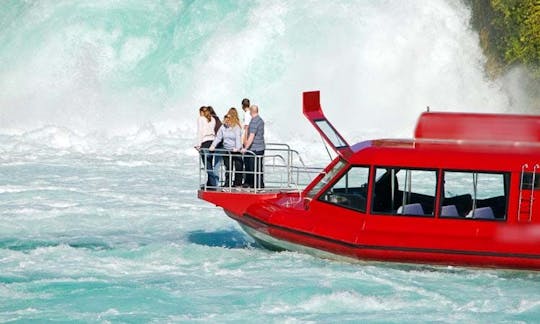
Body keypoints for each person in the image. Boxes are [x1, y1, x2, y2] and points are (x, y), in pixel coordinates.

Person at [209, 111, 242, 187]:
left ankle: (237, 184)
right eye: (226, 120)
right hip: (226, 150)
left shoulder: (236, 127)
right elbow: (218, 137)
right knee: (228, 168)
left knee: (238, 167)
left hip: (236, 150)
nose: (227, 122)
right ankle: (227, 184)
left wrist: (237, 148)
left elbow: (238, 139)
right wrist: (213, 145)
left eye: (228, 121)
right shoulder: (223, 127)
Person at [242, 104, 265, 189]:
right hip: (261, 147)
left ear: (251, 111)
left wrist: (246, 148)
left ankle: (256, 185)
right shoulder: (260, 120)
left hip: (255, 148)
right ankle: (259, 184)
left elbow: (251, 136)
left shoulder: (254, 121)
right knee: (258, 167)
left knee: (253, 168)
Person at [196, 106, 217, 188]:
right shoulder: (213, 119)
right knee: (209, 163)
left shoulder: (201, 119)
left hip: (205, 142)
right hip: (212, 142)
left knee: (207, 165)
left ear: (201, 112)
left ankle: (214, 183)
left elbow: (200, 132)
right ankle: (210, 184)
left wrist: (198, 145)